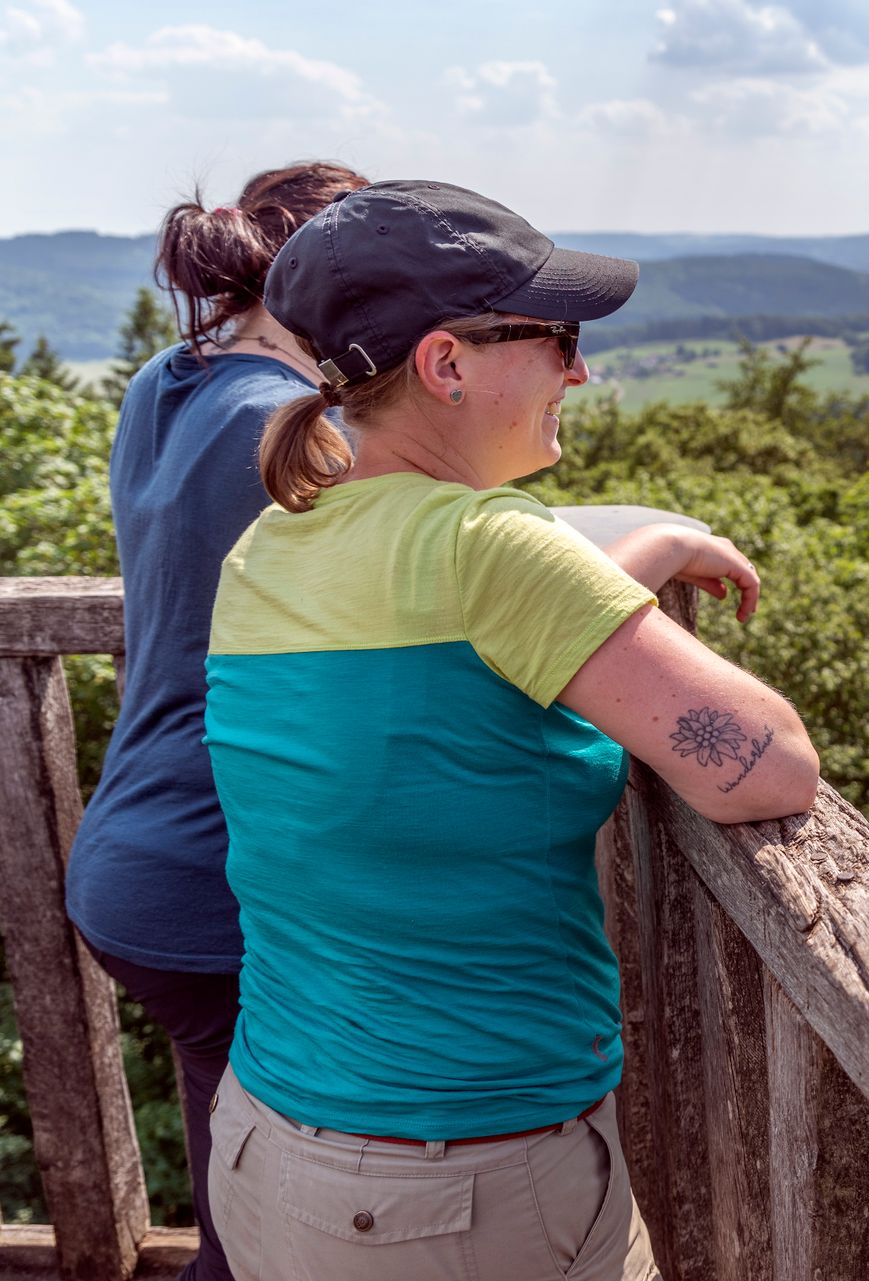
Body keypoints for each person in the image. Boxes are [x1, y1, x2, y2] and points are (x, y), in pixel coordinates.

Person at [199, 180, 820, 1281]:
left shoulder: (274, 547)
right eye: (557, 339)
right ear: (447, 365)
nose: (577, 371)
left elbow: (470, 645)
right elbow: (767, 769)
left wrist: (645, 555)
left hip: (269, 1146)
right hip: (457, 1194)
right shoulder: (488, 546)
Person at [64, 160, 369, 1281]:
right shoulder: (290, 430)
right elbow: (449, 567)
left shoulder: (168, 379)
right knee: (281, 1236)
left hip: (136, 854)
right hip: (217, 880)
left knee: (241, 1212)